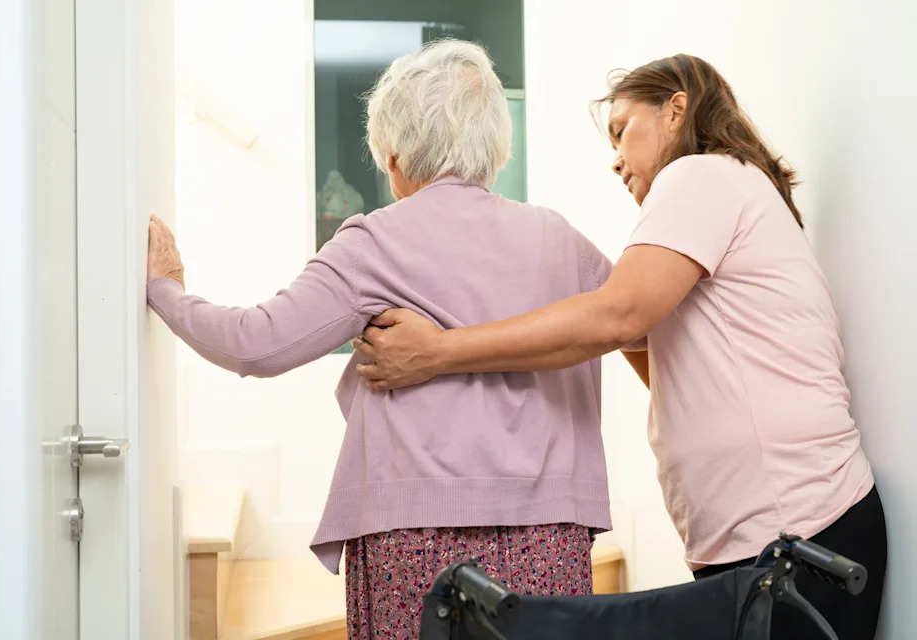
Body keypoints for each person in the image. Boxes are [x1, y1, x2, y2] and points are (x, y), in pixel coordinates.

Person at [353, 54, 887, 640]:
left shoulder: (701, 175)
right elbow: (635, 332)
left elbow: (616, 315)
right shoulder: (725, 189)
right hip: (765, 535)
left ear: (676, 108)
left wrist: (440, 350)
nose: (615, 159)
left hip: (801, 530)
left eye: (621, 130)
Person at [147, 40, 615, 640]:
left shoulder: (375, 241)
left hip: (415, 534)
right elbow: (631, 322)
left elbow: (255, 344)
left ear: (394, 157)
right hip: (551, 530)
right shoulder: (560, 239)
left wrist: (166, 290)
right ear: (494, 145)